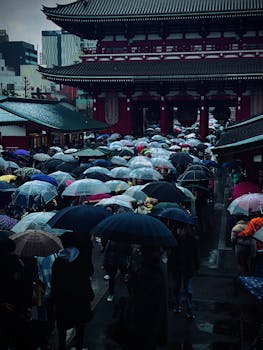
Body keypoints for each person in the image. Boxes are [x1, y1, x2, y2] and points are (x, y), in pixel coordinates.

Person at [51, 232, 95, 350]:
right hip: (80, 300)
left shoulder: (58, 262)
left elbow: (54, 284)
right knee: (80, 327)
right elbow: (88, 276)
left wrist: (53, 300)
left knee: (62, 329)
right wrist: (89, 294)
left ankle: (62, 347)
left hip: (63, 302)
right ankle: (79, 347)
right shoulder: (81, 259)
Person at [125, 245, 168, 350]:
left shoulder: (149, 272)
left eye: (140, 251)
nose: (139, 253)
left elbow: (139, 294)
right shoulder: (157, 267)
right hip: (153, 318)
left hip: (145, 319)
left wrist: (131, 279)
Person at [167, 222, 200, 320]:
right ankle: (179, 306)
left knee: (186, 289)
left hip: (186, 267)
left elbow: (195, 254)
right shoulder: (174, 238)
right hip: (179, 267)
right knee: (179, 288)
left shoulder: (190, 239)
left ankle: (188, 309)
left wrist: (196, 266)